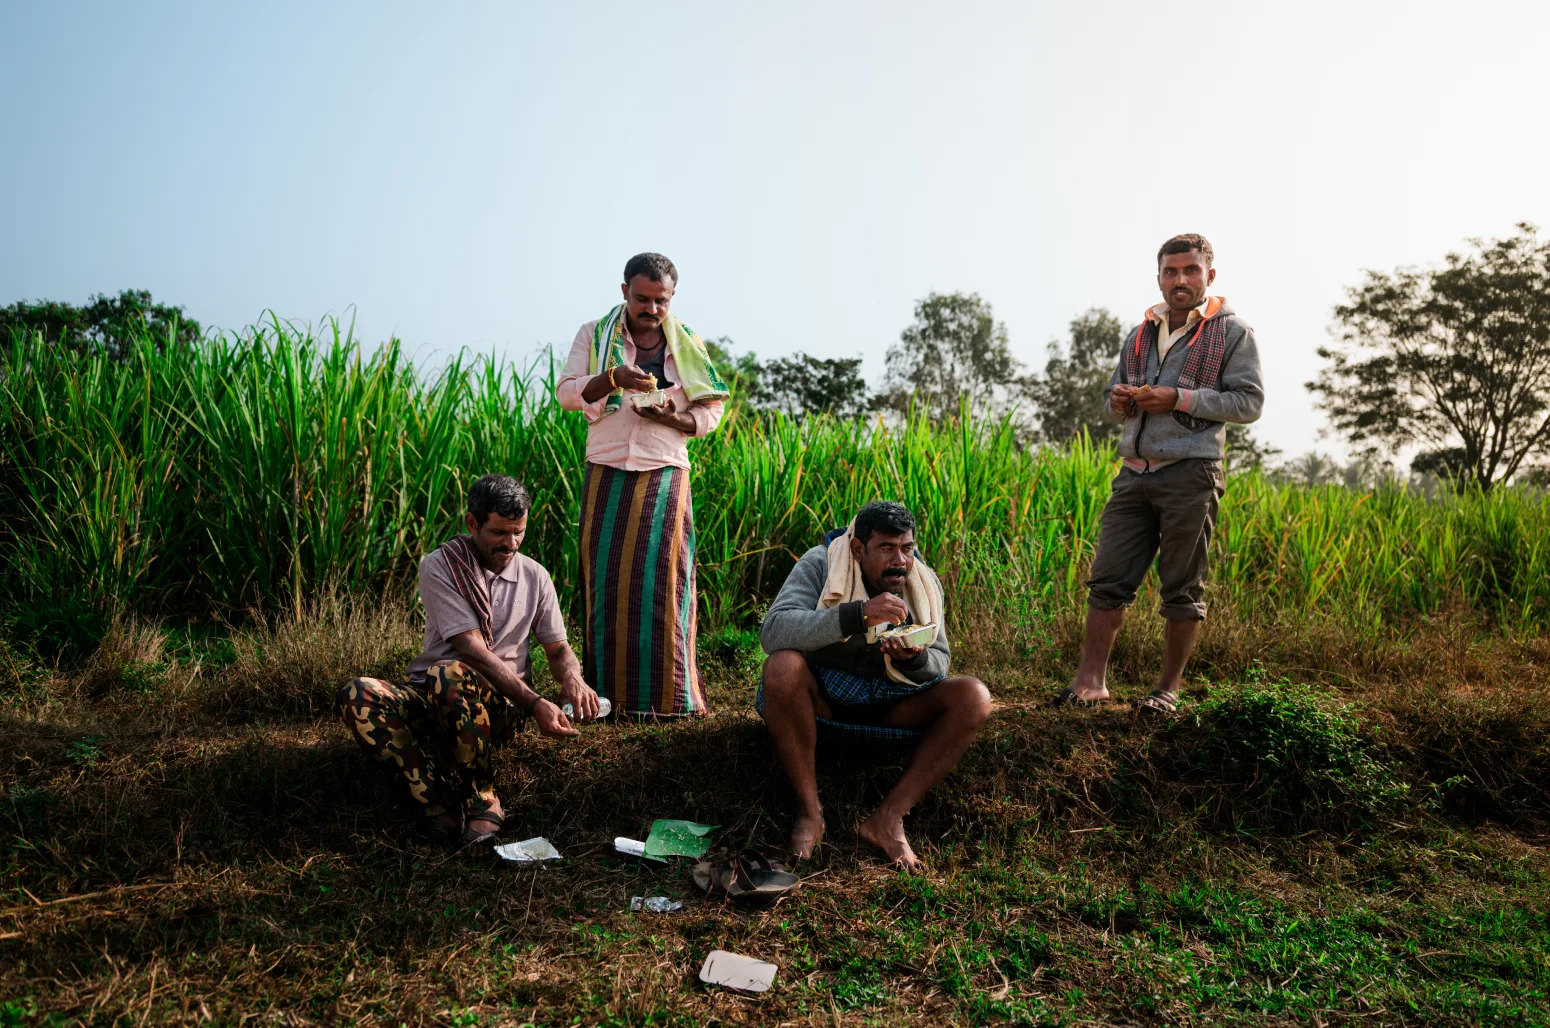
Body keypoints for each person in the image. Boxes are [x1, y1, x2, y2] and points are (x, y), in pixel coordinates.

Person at [1054, 233, 1264, 714]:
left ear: (1210, 275)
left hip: (1191, 474)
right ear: (1159, 278)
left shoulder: (1233, 332)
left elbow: (1249, 402)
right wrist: (1118, 399)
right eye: (1171, 272)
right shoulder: (1141, 332)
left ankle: (1167, 689)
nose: (1181, 280)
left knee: (1182, 585)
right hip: (1133, 474)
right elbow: (1113, 398)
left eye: (1191, 270)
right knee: (1107, 579)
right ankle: (1090, 682)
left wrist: (1179, 398)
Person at [338, 474, 601, 845]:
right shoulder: (442, 565)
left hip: (497, 707)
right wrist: (538, 701)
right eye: (499, 533)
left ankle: (484, 800)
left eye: (518, 532)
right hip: (434, 692)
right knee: (358, 693)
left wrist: (571, 678)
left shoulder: (535, 577)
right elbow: (470, 649)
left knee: (450, 675)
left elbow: (558, 650)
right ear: (472, 524)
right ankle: (435, 803)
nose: (511, 543)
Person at [757, 500, 992, 870]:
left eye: (906, 548)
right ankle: (810, 813)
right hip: (824, 704)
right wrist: (856, 615)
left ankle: (887, 820)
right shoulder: (820, 564)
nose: (899, 561)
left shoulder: (922, 582)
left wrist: (912, 659)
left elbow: (941, 663)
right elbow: (774, 632)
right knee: (782, 666)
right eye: (886, 548)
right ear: (857, 549)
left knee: (974, 696)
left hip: (895, 707)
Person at [556, 253, 728, 717]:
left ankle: (672, 700)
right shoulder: (594, 334)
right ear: (624, 292)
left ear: (672, 298)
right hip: (607, 467)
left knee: (665, 584)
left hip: (666, 471)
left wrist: (675, 418)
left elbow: (712, 410)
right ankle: (601, 700)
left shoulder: (687, 343)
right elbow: (567, 392)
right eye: (642, 299)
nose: (651, 309)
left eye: (661, 301)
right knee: (606, 584)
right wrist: (612, 377)